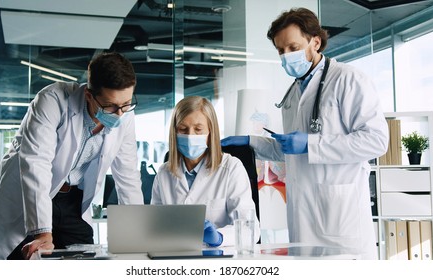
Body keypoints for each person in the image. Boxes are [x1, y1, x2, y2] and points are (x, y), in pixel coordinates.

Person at [221, 8, 388, 259]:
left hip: (341, 220)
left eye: (293, 47)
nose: (286, 55)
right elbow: (290, 149)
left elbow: (377, 141)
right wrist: (250, 142)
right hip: (303, 219)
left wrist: (311, 144)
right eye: (280, 50)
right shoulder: (294, 92)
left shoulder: (348, 80)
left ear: (315, 41)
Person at [0, 52, 144, 260]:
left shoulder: (125, 116)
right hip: (31, 196)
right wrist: (43, 232)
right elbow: (36, 164)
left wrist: (139, 234)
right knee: (24, 259)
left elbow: (127, 175)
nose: (119, 113)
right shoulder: (52, 100)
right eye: (110, 106)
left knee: (85, 263)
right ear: (89, 95)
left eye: (126, 104)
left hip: (73, 200)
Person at [151, 96, 260, 247]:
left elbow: (250, 230)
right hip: (175, 256)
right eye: (183, 129)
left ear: (210, 132)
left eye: (198, 129)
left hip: (219, 259)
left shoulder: (231, 168)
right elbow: (154, 225)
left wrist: (219, 238)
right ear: (174, 133)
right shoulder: (164, 173)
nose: (190, 136)